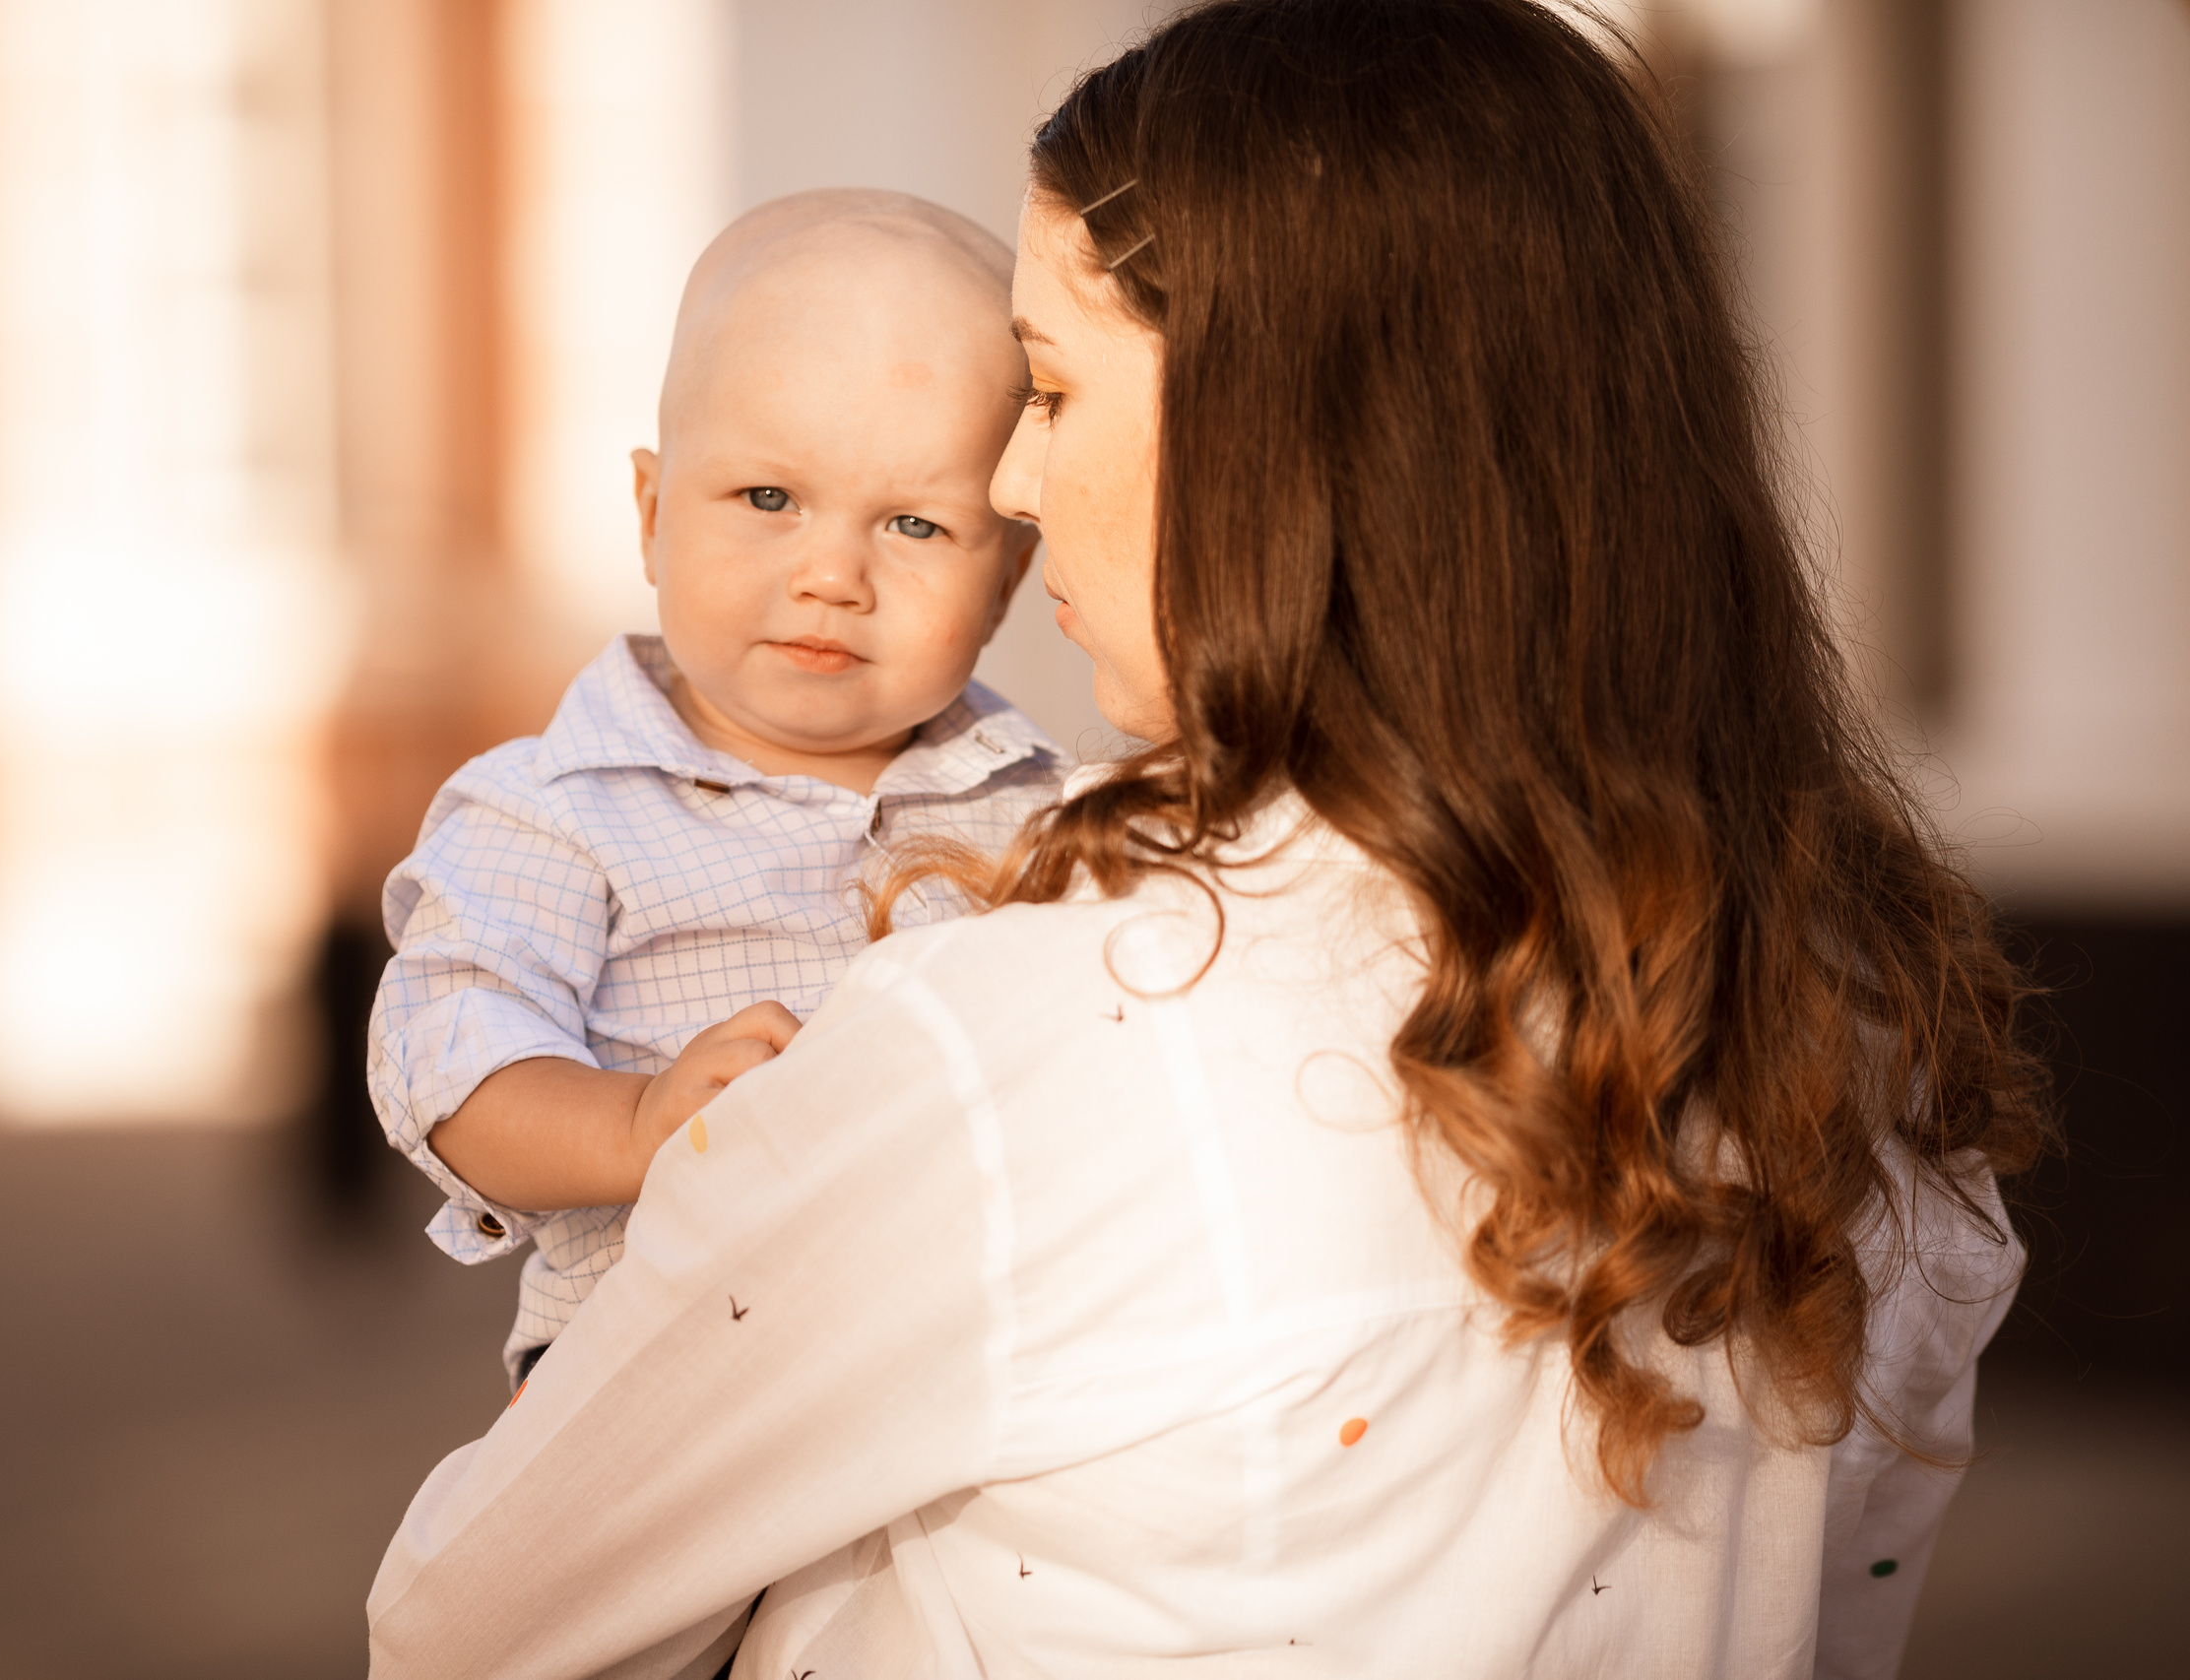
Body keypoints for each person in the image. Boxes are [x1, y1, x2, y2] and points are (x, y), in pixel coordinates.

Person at [366, 3, 2050, 1675]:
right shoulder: (1853, 1019)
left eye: (1049, 388)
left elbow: (461, 1628)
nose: (1013, 483)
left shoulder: (1042, 1037)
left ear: (1275, 436)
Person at [368, 190, 1062, 1382]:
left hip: (961, 1360)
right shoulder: (556, 810)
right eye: (768, 500)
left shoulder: (1045, 811)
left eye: (912, 523)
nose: (833, 573)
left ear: (1005, 579)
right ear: (649, 516)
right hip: (663, 1369)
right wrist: (634, 1123)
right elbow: (448, 1058)